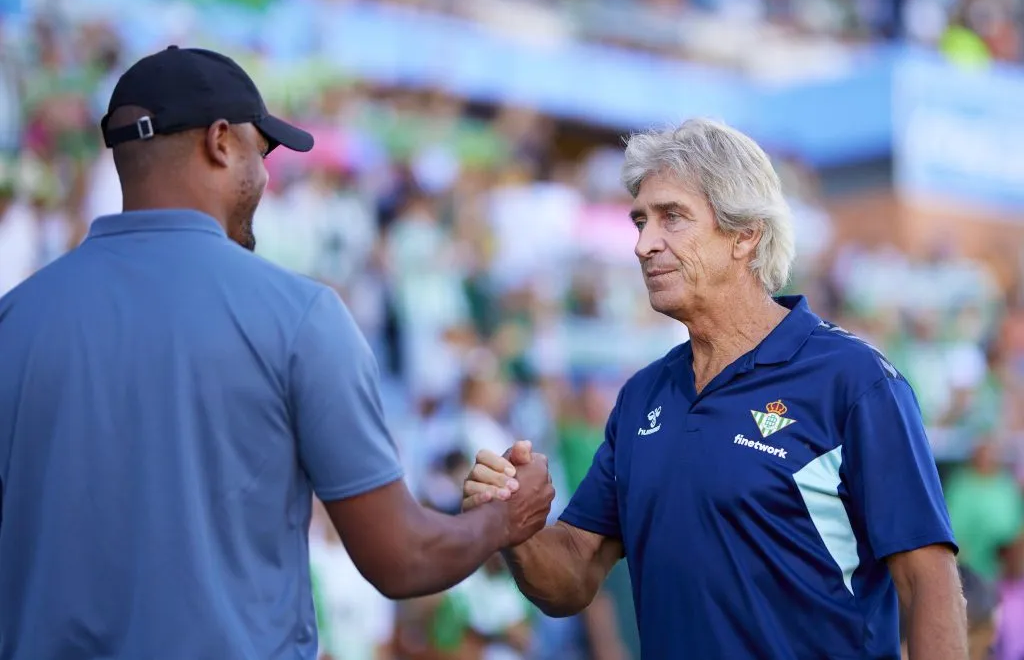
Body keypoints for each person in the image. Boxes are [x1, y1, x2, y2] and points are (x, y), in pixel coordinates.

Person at [0, 46, 554, 660]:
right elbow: (403, 557)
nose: (266, 178)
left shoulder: (16, 318)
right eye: (263, 154)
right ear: (219, 142)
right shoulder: (299, 317)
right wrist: (507, 518)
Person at [461, 119, 968, 659]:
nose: (643, 244)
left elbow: (929, 584)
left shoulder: (855, 382)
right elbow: (571, 577)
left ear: (745, 234)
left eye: (671, 218)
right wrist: (512, 523)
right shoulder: (641, 398)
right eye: (640, 221)